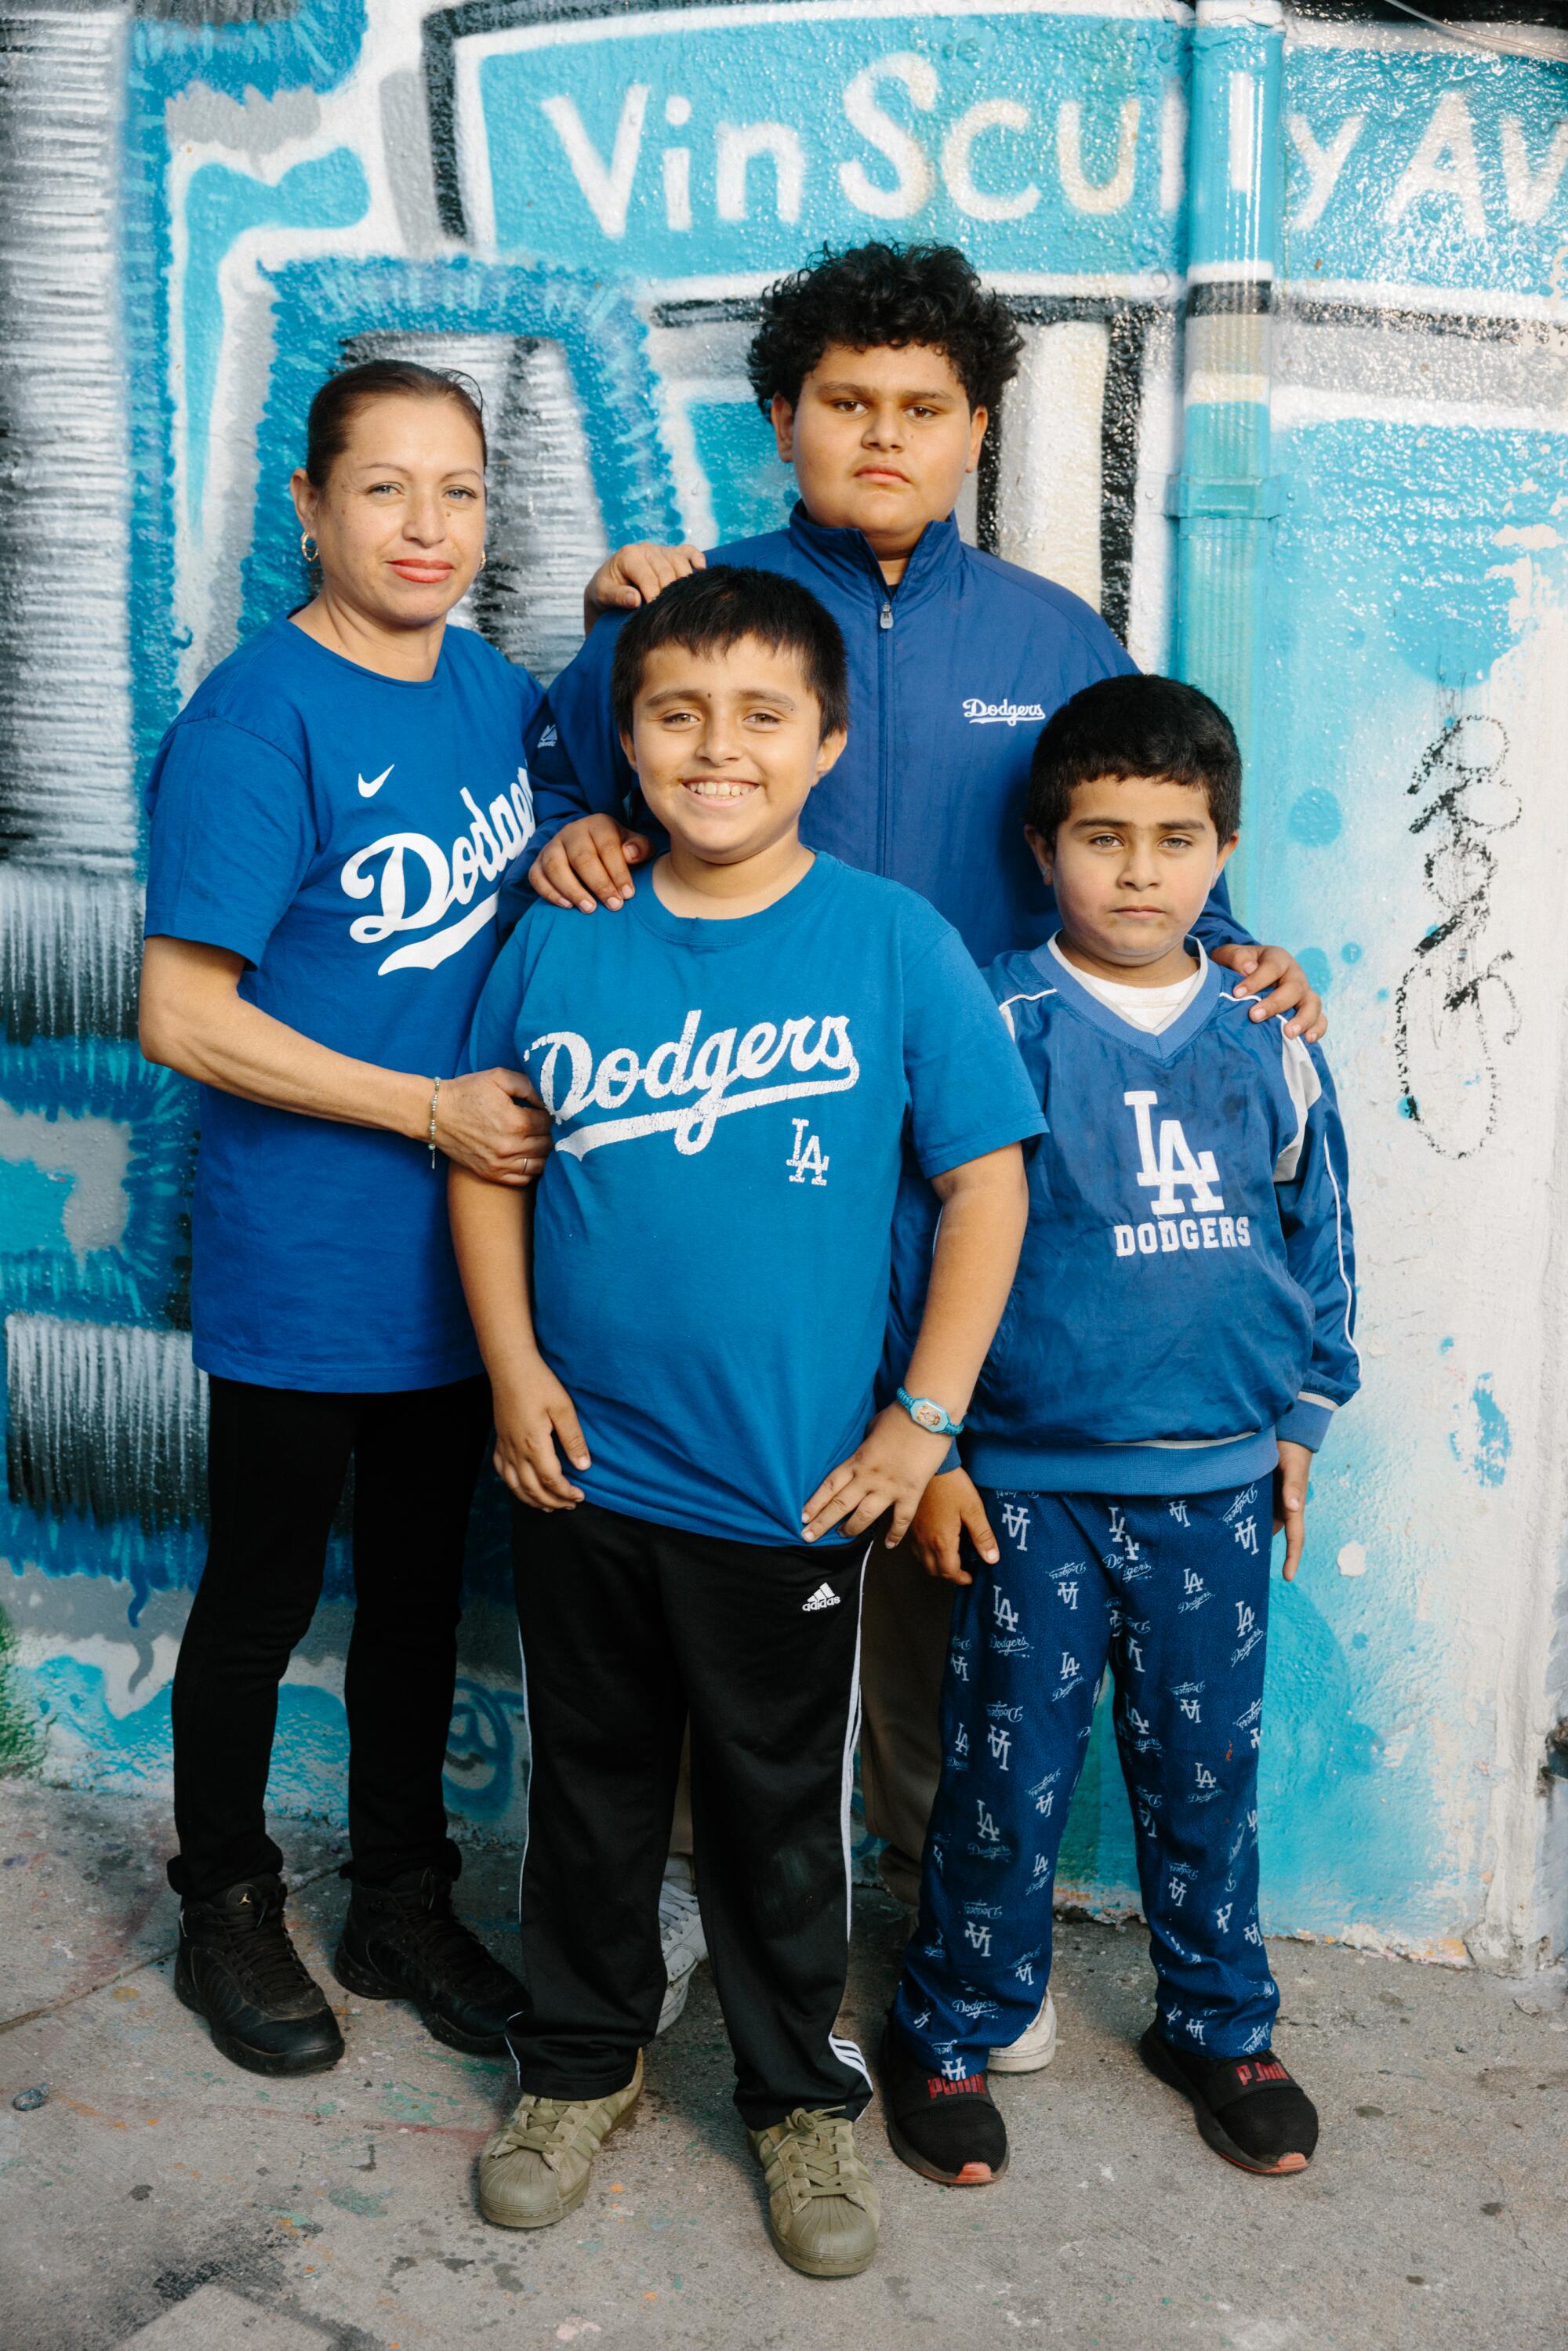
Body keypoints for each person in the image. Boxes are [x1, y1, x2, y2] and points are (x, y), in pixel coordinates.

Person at [521, 241, 1327, 1993]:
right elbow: (581, 802)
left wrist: (1251, 966)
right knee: (711, 1543)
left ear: (974, 430)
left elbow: (1132, 837)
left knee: (942, 1562)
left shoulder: (1050, 639)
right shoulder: (698, 615)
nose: (882, 436)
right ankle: (671, 1913)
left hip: (979, 1182)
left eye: (923, 408)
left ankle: (910, 1934)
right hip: (732, 1167)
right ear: (783, 419)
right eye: (844, 404)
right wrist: (558, 833)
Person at [448, 568, 1044, 2277]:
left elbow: (984, 1186)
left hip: (786, 1496)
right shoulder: (559, 930)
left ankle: (796, 2100)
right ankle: (577, 2066)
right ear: (624, 736)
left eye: (759, 717)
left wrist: (921, 1423)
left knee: (786, 1824)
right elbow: (491, 1162)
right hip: (579, 1471)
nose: (716, 751)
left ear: (826, 742)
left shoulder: (886, 941)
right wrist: (511, 1371)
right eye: (676, 714)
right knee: (594, 1794)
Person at [880, 673, 1359, 2186]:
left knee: (1208, 1772)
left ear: (1221, 852)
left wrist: (1304, 1411)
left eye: (1174, 837)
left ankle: (1219, 2023)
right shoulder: (998, 1018)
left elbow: (1321, 1223)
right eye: (1103, 835)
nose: (1139, 869)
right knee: (1004, 1774)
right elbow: (924, 1240)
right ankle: (953, 2024)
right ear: (1044, 848)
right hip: (1029, 1480)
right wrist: (937, 1444)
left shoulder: (1269, 1028)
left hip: (1214, 1483)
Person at [138, 360, 553, 2076]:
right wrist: (424, 1110)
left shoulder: (500, 698)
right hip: (309, 1256)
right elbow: (182, 1015)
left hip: (469, 1265)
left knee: (409, 1600)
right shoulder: (257, 719)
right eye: (384, 489)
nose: (425, 526)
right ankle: (226, 1903)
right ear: (308, 506)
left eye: (455, 491)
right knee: (257, 1593)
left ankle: (397, 1899)